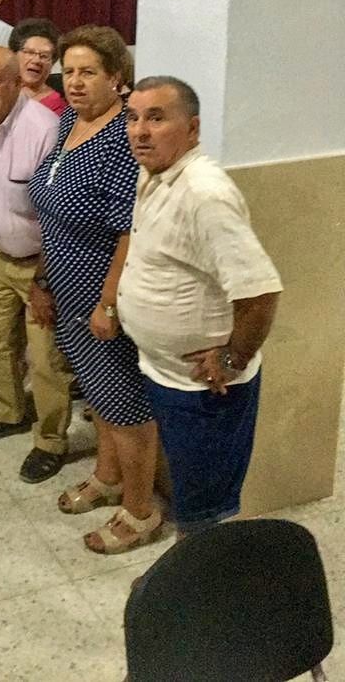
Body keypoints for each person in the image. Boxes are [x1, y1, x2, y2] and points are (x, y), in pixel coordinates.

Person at [119, 77, 281, 534]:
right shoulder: (153, 173)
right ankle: (188, 582)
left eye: (156, 118)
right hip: (166, 372)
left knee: (206, 508)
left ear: (192, 129)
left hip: (205, 390)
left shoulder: (205, 194)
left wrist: (232, 358)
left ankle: (205, 596)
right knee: (190, 493)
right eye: (133, 118)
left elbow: (262, 291)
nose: (140, 131)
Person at [28, 25, 161, 554]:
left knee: (125, 403)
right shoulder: (68, 121)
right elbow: (53, 209)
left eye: (89, 72)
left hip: (103, 290)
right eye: (71, 71)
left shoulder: (121, 139)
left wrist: (107, 302)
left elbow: (130, 231)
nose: (76, 82)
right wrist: (43, 279)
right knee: (101, 395)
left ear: (117, 78)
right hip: (65, 282)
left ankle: (141, 509)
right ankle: (107, 477)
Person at [0, 48, 71, 484]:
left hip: (43, 266)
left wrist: (44, 281)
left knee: (45, 361)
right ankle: (6, 414)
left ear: (16, 82)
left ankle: (50, 441)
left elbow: (58, 216)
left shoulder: (45, 129)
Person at [10, 17, 66, 113]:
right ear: (14, 54)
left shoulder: (57, 107)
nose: (36, 60)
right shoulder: (0, 92)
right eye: (30, 53)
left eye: (44, 56)